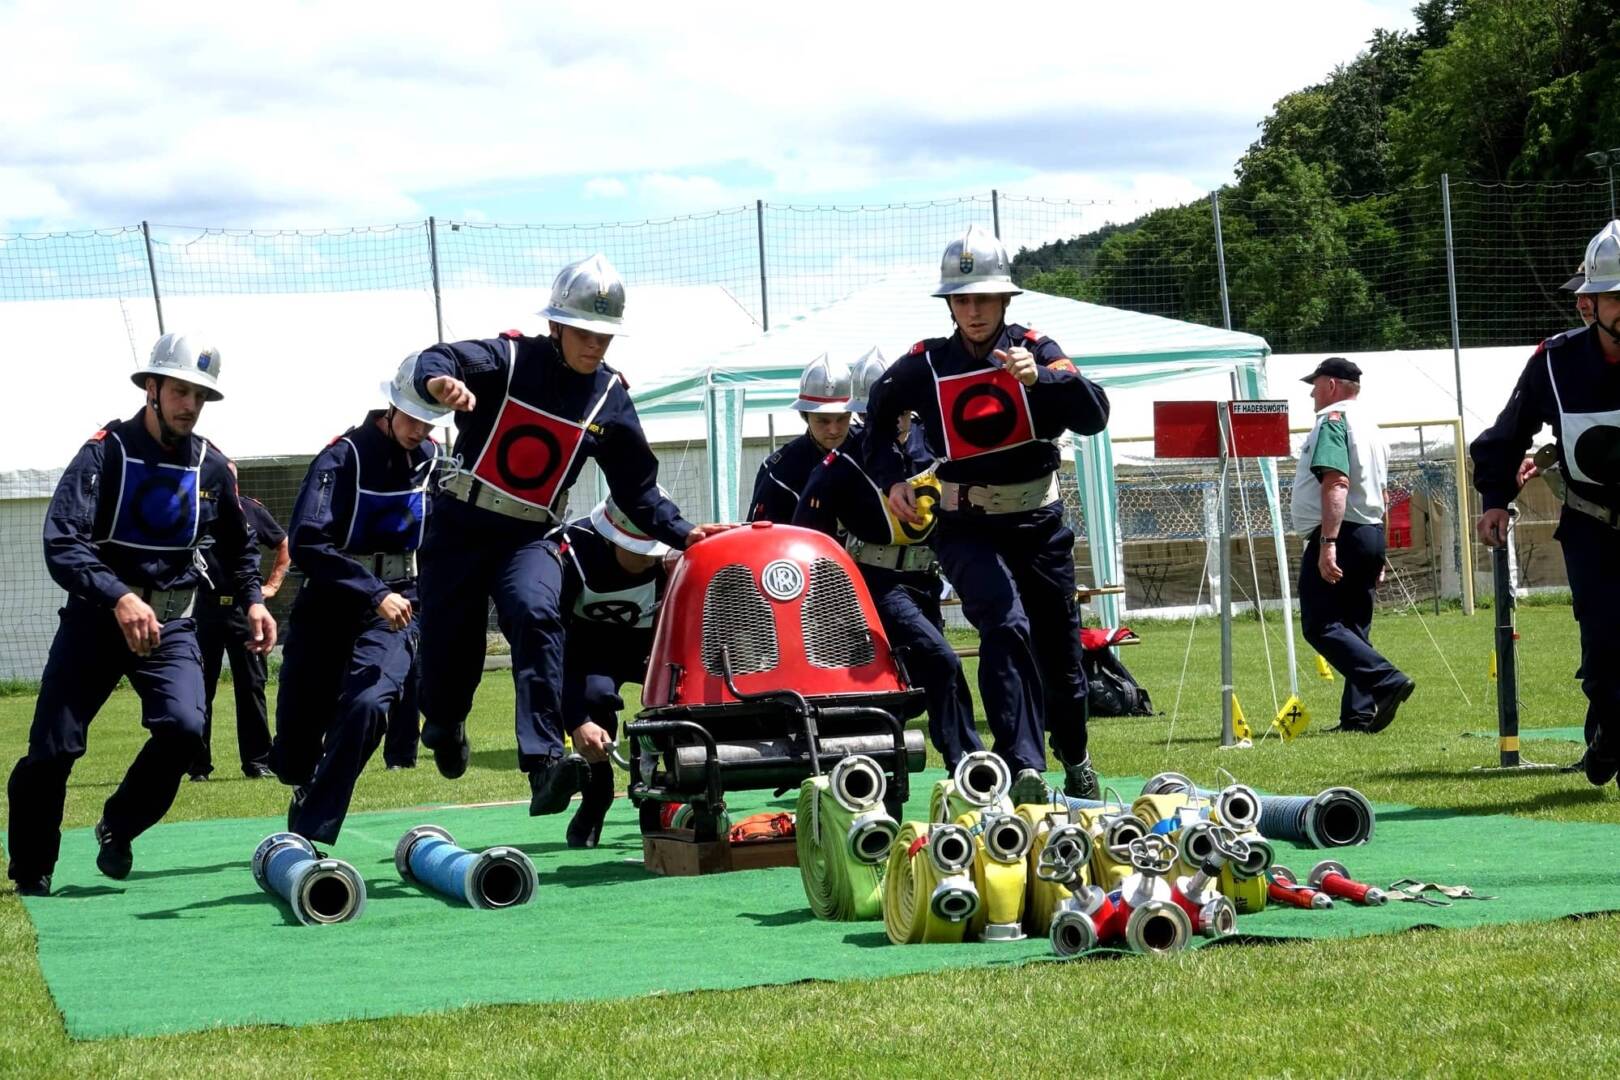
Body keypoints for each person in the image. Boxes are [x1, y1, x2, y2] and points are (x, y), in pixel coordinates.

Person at [411, 254, 728, 816]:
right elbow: (439, 357)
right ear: (555, 325)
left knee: (537, 615)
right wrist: (439, 383)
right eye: (584, 331)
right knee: (446, 665)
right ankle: (443, 724)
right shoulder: (508, 357)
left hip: (528, 537)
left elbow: (638, 490)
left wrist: (685, 534)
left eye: (606, 334)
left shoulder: (610, 396)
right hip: (459, 529)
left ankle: (542, 764)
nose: (595, 345)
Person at [5, 334, 274, 895]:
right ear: (151, 388)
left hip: (173, 625)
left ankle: (118, 825)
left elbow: (239, 546)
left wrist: (252, 598)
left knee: (184, 731)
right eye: (179, 391)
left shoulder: (212, 465)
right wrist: (117, 596)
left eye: (200, 397)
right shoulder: (103, 453)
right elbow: (63, 542)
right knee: (53, 750)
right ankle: (32, 870)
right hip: (95, 621)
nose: (189, 406)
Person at [862, 224, 1110, 805]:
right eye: (962, 299)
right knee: (1003, 622)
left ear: (1006, 300)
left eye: (984, 299)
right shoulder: (922, 364)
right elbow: (876, 419)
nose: (973, 312)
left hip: (1040, 525)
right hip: (966, 524)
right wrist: (891, 478)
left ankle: (1074, 755)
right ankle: (1022, 764)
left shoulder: (1037, 348)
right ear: (950, 304)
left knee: (1062, 659)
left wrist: (1041, 379)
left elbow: (1094, 411)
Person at [268, 354, 445, 844]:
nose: (420, 431)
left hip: (399, 607)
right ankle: (305, 781)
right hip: (329, 604)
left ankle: (311, 833)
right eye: (412, 418)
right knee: (294, 755)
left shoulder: (434, 462)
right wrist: (372, 590)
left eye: (430, 422)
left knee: (369, 704)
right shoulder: (341, 458)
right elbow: (306, 542)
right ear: (389, 406)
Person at [1473, 221, 1620, 788]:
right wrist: (1494, 499)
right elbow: (1506, 436)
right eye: (1616, 297)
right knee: (1606, 652)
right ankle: (1609, 728)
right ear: (1592, 302)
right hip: (1593, 528)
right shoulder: (1555, 363)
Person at [794, 348, 984, 771]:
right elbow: (805, 531)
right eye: (878, 411)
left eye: (898, 411)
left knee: (918, 675)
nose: (891, 420)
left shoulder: (934, 440)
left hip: (928, 580)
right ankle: (966, 760)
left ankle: (928, 764)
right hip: (876, 584)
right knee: (941, 658)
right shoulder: (843, 460)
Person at [1292, 357, 1414, 733]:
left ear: (1331, 385)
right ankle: (1357, 715)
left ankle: (1387, 682)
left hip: (1342, 532)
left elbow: (1337, 482)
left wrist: (1328, 542)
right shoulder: (1373, 429)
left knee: (1320, 624)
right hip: (1369, 531)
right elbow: (1381, 491)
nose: (1312, 392)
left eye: (1315, 384)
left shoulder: (1334, 422)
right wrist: (1379, 552)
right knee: (1354, 625)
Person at [553, 494, 671, 848]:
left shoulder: (674, 561)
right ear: (610, 537)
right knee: (593, 700)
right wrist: (576, 720)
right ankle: (596, 799)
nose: (651, 558)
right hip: (588, 648)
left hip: (653, 646)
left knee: (679, 698)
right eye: (640, 549)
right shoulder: (569, 556)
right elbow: (553, 651)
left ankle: (660, 796)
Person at [190, 459, 289, 781]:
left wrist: (272, 585)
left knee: (251, 687)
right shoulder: (195, 514)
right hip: (205, 610)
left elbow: (284, 543)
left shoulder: (251, 510)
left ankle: (258, 762)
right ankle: (197, 767)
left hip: (245, 612)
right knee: (199, 690)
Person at [748, 353, 854, 522]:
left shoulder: (870, 451)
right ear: (804, 416)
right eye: (823, 421)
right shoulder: (780, 470)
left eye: (842, 418)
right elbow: (764, 537)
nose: (834, 430)